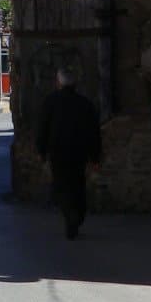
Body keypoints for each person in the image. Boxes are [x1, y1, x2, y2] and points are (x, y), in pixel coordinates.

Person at [36, 67, 101, 238]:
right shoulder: (85, 104)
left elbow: (42, 128)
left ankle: (71, 216)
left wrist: (41, 151)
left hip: (58, 151)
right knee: (78, 184)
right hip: (79, 152)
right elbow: (94, 132)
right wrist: (95, 156)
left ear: (58, 83)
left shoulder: (50, 102)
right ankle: (77, 215)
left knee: (62, 185)